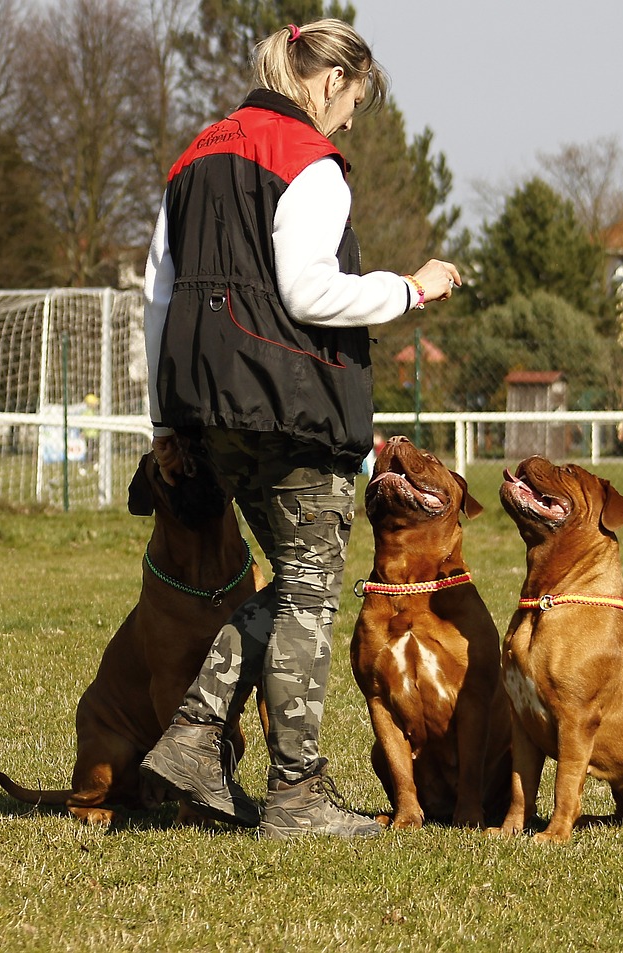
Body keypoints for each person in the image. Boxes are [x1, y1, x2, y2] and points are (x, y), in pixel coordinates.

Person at [139, 18, 461, 839]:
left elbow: (157, 294)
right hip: (289, 404)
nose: (349, 121)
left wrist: (167, 416)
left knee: (296, 584)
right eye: (352, 101)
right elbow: (313, 293)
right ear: (328, 82)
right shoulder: (308, 162)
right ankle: (294, 795)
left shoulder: (195, 155)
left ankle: (193, 737)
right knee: (309, 588)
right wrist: (410, 288)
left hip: (208, 408)